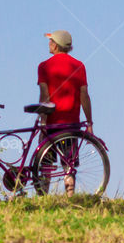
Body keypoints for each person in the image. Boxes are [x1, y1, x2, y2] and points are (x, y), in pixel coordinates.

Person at [37, 30, 93, 195]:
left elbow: (45, 96)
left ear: (55, 45)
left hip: (52, 122)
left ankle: (43, 198)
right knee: (68, 165)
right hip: (71, 124)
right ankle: (70, 197)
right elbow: (84, 95)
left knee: (46, 164)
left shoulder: (44, 66)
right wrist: (89, 122)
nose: (49, 44)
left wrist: (43, 122)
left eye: (50, 41)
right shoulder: (79, 66)